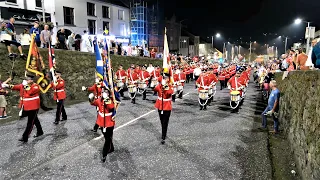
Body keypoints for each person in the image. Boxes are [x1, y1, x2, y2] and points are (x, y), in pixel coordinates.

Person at [2, 74, 43, 142]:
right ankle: (40, 131)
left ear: (32, 80)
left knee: (30, 122)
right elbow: (16, 87)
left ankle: (25, 137)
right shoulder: (24, 85)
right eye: (26, 79)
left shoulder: (35, 86)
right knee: (34, 119)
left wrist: (25, 85)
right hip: (26, 106)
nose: (27, 80)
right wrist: (7, 86)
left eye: (28, 79)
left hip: (33, 106)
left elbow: (30, 92)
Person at [89, 88, 115, 162]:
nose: (103, 93)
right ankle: (111, 148)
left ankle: (104, 154)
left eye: (105, 92)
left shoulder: (110, 100)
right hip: (101, 122)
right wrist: (91, 99)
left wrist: (106, 99)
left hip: (109, 122)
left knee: (107, 139)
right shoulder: (99, 99)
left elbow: (111, 107)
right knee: (107, 137)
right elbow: (94, 103)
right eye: (103, 91)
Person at [153, 71, 174, 144]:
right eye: (163, 78)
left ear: (168, 79)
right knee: (162, 121)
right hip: (160, 104)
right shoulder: (160, 85)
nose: (164, 79)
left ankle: (163, 136)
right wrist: (158, 84)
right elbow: (155, 90)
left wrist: (165, 86)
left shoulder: (170, 85)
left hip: (167, 106)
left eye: (166, 78)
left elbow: (169, 93)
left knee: (165, 122)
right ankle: (163, 131)